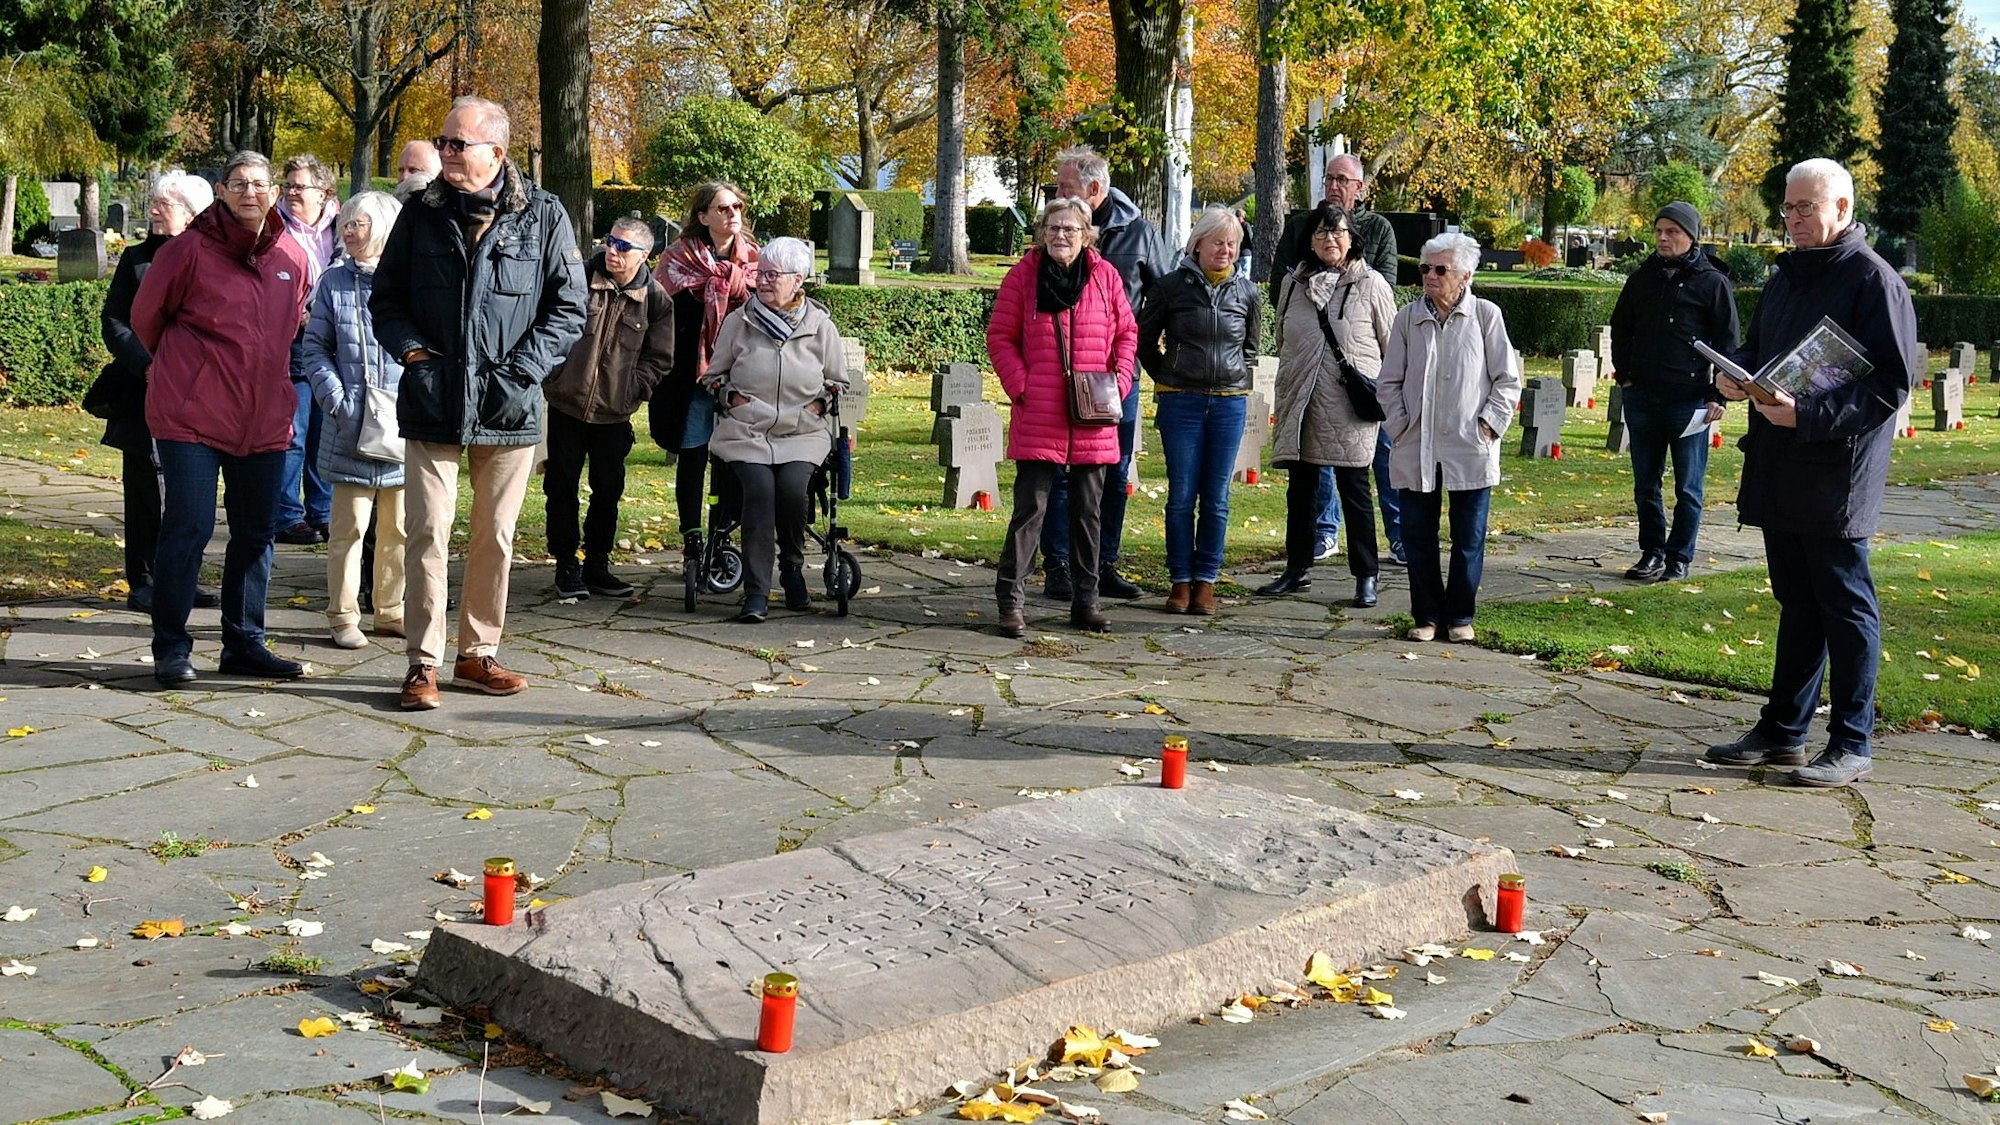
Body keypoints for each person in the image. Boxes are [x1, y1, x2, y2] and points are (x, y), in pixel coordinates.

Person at [1702, 158, 1919, 789]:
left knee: (1845, 608)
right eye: (1788, 208)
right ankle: (1782, 731)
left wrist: (1808, 415)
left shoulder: (1873, 280)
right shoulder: (1788, 276)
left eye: (1807, 207)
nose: (1794, 219)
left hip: (1837, 472)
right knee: (1796, 601)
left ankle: (1852, 741)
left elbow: (1890, 384)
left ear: (1843, 209)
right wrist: (1732, 375)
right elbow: (1760, 349)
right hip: (1780, 462)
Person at [370, 95, 588, 711]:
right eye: (442, 142)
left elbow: (568, 307)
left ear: (496, 151)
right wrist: (415, 356)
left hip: (509, 403)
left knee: (495, 534)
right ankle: (422, 663)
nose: (444, 152)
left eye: (456, 144)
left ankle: (477, 654)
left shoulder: (543, 214)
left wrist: (523, 372)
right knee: (427, 533)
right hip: (433, 399)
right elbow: (387, 299)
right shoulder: (420, 213)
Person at [130, 151, 314, 686]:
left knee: (257, 532)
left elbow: (291, 323)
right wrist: (187, 371)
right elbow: (145, 319)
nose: (249, 193)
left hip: (264, 417)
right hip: (191, 414)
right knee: (189, 527)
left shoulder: (292, 255)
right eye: (238, 184)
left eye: (259, 184)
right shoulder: (186, 251)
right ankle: (171, 646)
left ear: (274, 192)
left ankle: (244, 643)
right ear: (220, 191)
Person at [988, 196, 1138, 638]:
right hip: (1041, 411)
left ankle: (1086, 601)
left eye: (1070, 229)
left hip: (1093, 412)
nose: (1061, 236)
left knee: (1088, 512)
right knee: (1030, 509)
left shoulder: (1105, 276)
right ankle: (1011, 602)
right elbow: (1000, 336)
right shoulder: (1023, 277)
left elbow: (1127, 333)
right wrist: (1022, 386)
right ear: (1042, 233)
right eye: (1053, 228)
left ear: (1086, 235)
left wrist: (1119, 382)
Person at [1040, 145, 1173, 603]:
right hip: (1058, 374)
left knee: (1113, 473)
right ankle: (1058, 565)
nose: (1057, 195)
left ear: (1094, 188)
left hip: (1115, 378)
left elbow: (1163, 294)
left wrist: (1136, 359)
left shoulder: (1139, 233)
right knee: (1059, 471)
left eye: (1065, 187)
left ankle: (1102, 564)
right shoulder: (1056, 229)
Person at [1379, 232, 1521, 643]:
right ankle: (1426, 616)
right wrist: (1400, 425)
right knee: (1417, 535)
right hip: (1416, 443)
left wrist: (1488, 425)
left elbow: (1507, 380)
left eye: (1441, 269)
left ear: (1465, 276)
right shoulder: (1407, 318)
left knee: (1468, 537)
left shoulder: (1486, 315)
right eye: (1426, 268)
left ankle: (1459, 616)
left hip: (1469, 443)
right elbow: (1388, 382)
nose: (1431, 276)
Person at [90, 171, 220, 615]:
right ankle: (144, 579)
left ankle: (182, 576)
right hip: (143, 389)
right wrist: (146, 365)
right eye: (155, 202)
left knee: (191, 489)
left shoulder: (213, 258)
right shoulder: (137, 260)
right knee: (145, 488)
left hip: (198, 392)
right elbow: (114, 321)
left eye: (164, 203)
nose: (154, 210)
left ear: (192, 213)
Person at [1259, 202, 1397, 608]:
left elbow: (1393, 348)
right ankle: (1297, 568)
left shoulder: (1371, 284)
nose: (1329, 239)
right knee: (1300, 489)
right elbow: (1283, 340)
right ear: (1310, 240)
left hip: (1349, 404)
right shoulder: (1294, 283)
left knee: (1354, 489)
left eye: (1337, 231)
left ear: (1352, 238)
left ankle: (1366, 575)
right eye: (1321, 232)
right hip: (1301, 397)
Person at [701, 238, 846, 623]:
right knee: (760, 491)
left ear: (798, 280)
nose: (762, 281)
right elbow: (713, 377)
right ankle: (756, 591)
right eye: (759, 273)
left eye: (772, 275)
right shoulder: (739, 322)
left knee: (792, 490)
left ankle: (792, 568)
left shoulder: (820, 326)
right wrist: (733, 398)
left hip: (802, 432)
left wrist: (818, 405)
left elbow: (838, 381)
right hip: (747, 431)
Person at [1135, 205, 1262, 615]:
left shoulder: (1247, 293)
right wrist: (1169, 374)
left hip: (1228, 404)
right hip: (1181, 403)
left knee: (1217, 498)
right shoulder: (1170, 287)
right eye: (1218, 243)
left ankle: (1206, 581)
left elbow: (1251, 348)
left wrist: (1234, 376)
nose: (1225, 250)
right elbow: (1144, 342)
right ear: (1198, 244)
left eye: (1232, 244)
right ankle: (1180, 580)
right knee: (1181, 496)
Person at [543, 216, 674, 601]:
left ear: (645, 255)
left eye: (623, 246)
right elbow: (549, 325)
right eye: (610, 242)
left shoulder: (656, 300)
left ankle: (597, 564)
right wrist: (554, 375)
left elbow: (660, 358)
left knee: (608, 489)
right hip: (565, 404)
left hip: (614, 413)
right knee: (561, 486)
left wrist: (632, 390)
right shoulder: (578, 278)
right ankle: (566, 563)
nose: (612, 251)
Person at [1609, 202, 1739, 584]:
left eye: (1673, 232)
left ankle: (1679, 557)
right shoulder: (1642, 278)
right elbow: (1621, 328)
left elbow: (1728, 344)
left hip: (1690, 401)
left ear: (1691, 237)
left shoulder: (1712, 282)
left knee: (1689, 486)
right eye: (1659, 231)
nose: (1663, 238)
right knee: (1646, 484)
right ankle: (1651, 551)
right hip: (1643, 397)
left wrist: (1718, 395)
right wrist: (1626, 379)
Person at [300, 191, 407, 650]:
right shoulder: (333, 283)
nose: (348, 230)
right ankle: (343, 614)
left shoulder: (412, 281)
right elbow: (315, 349)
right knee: (349, 528)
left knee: (399, 528)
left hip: (402, 423)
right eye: (346, 222)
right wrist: (339, 402)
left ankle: (391, 609)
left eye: (358, 223)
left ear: (382, 228)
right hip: (350, 424)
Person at [650, 181, 759, 563]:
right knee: (693, 454)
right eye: (723, 208)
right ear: (703, 216)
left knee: (732, 460)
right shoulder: (677, 259)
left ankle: (722, 534)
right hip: (691, 375)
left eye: (737, 207)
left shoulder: (755, 260)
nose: (733, 214)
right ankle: (693, 539)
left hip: (740, 375)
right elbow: (658, 313)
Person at [274, 154, 340, 547]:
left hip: (335, 339)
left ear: (324, 192)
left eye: (300, 186)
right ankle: (286, 515)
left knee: (325, 431)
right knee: (293, 431)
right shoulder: (273, 226)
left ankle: (323, 511)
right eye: (288, 185)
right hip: (292, 339)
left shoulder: (343, 225)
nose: (292, 192)